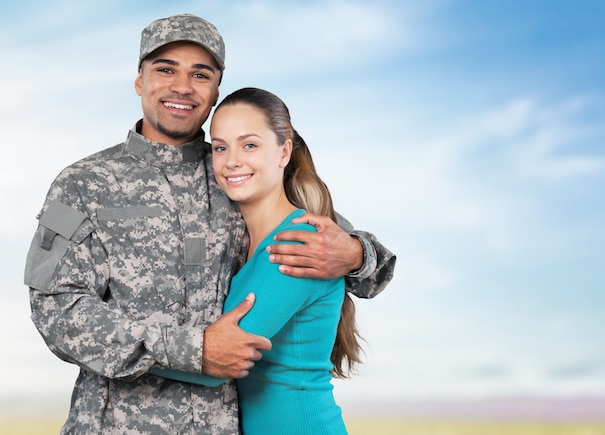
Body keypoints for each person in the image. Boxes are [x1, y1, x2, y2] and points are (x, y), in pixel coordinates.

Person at [23, 14, 396, 435]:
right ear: (138, 81)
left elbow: (353, 261)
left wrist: (356, 253)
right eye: (165, 69)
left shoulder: (239, 172)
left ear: (215, 90)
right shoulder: (81, 184)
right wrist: (193, 349)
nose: (182, 86)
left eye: (200, 74)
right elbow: (55, 310)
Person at [152, 87, 362, 434]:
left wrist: (108, 348)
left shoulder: (297, 244)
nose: (232, 160)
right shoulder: (251, 241)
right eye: (220, 147)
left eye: (249, 145)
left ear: (283, 152)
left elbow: (218, 361)